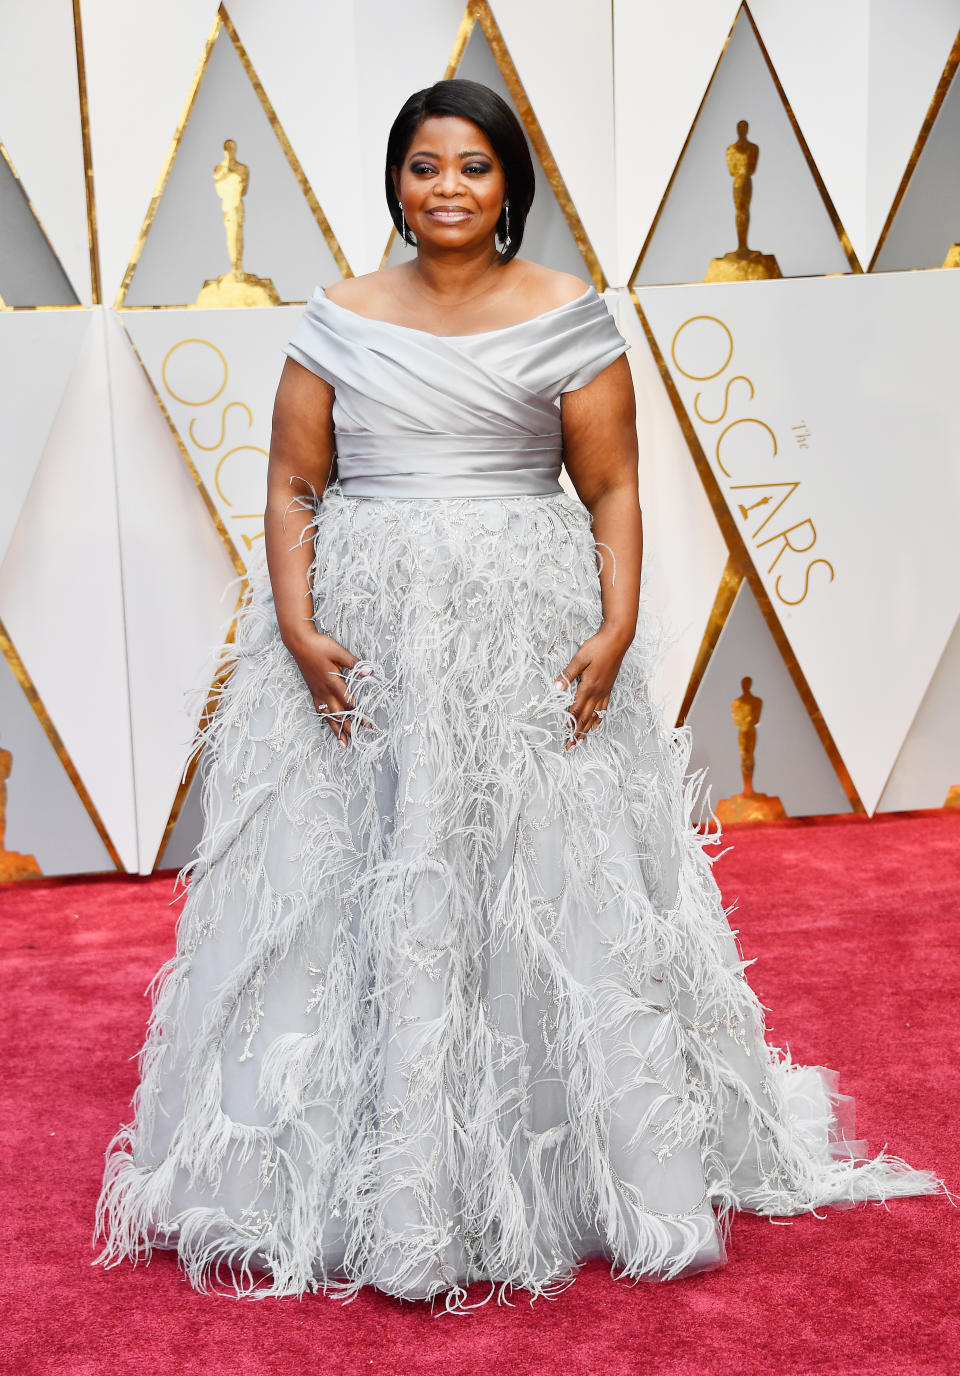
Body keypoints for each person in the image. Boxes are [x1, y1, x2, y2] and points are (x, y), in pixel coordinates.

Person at [93, 78, 946, 1313]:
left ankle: (563, 1163)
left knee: (544, 870)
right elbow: (291, 482)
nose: (446, 187)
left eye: (474, 166)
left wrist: (610, 628)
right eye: (425, 164)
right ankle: (361, 1171)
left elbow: (611, 491)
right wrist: (296, 619)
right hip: (369, 639)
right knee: (365, 877)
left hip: (522, 637)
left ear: (511, 187)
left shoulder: (569, 315)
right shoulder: (336, 316)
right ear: (395, 180)